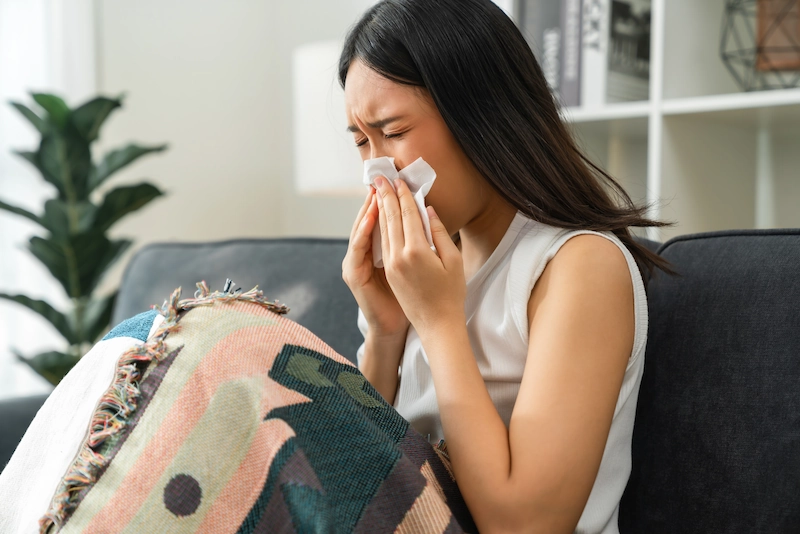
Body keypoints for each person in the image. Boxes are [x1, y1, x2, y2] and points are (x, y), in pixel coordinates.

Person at [338, 0, 677, 532]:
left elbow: (525, 525)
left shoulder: (579, 266)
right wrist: (385, 333)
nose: (376, 171)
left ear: (480, 115)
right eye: (361, 141)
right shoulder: (419, 269)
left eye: (394, 131)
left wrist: (439, 322)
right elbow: (350, 484)